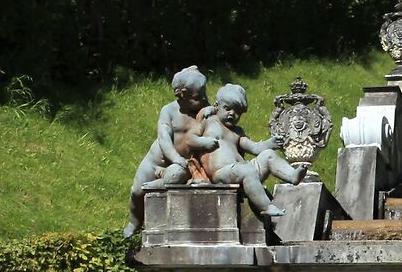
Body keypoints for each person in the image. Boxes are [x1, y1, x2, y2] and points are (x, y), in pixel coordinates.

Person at [123, 67, 216, 235]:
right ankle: (134, 222)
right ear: (182, 95)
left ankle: (158, 225)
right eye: (197, 97)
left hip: (183, 165)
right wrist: (174, 157)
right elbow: (164, 137)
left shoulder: (204, 110)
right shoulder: (169, 110)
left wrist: (212, 112)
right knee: (136, 191)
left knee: (166, 184)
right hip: (156, 160)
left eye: (204, 94)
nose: (203, 99)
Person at [197, 84, 307, 220]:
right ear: (217, 106)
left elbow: (255, 148)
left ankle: (292, 175)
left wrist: (269, 143)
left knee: (268, 155)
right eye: (227, 108)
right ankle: (266, 206)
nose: (232, 114)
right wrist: (207, 110)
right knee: (247, 171)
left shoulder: (237, 132)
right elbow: (192, 128)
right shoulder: (210, 122)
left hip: (243, 170)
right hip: (221, 173)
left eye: (237, 111)